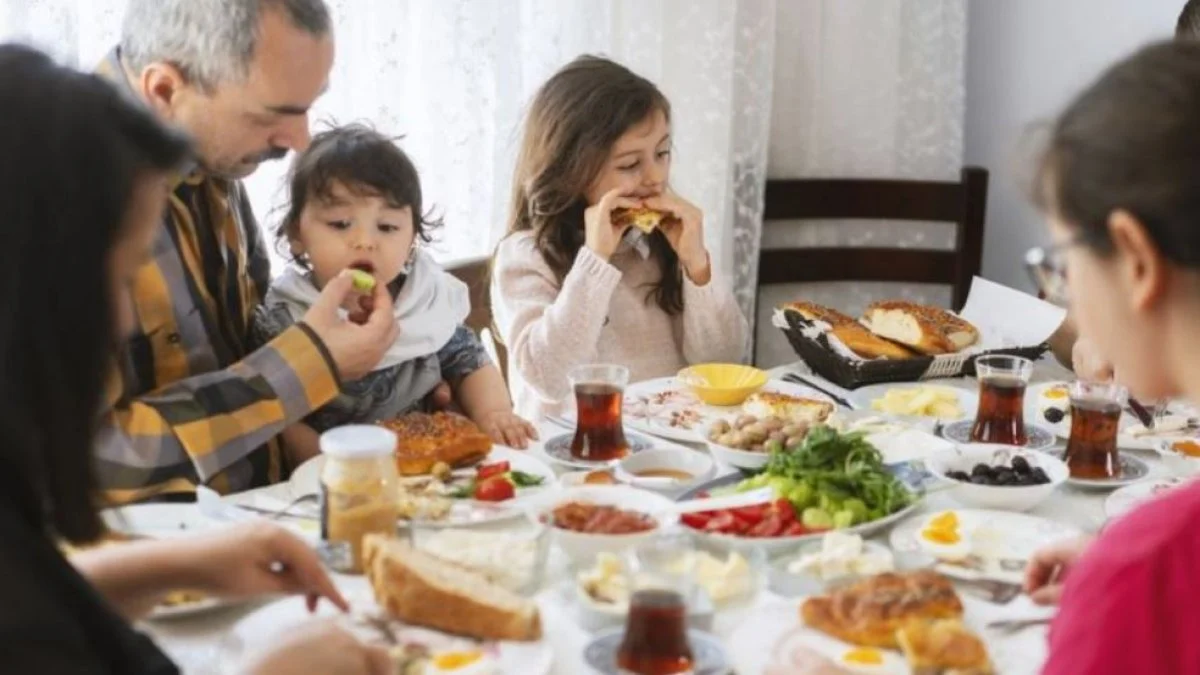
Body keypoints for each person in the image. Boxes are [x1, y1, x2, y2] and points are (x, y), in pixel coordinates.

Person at [0, 43, 389, 674]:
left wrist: (182, 564)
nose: (125, 318)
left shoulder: (218, 182)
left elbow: (37, 595)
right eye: (121, 279)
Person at [95, 0, 398, 503]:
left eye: (309, 104)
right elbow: (89, 460)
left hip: (262, 520)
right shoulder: (52, 188)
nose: (301, 141)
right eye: (273, 114)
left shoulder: (209, 153)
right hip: (156, 563)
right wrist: (312, 362)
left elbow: (238, 349)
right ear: (166, 90)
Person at [1021, 40, 1200, 673]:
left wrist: (1126, 584)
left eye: (1064, 266)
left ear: (1136, 259)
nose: (1065, 292)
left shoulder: (1146, 570)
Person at [252, 125, 537, 457]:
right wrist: (329, 465)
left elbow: (469, 362)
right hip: (336, 478)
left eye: (387, 227)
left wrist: (493, 413)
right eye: (340, 224)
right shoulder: (283, 316)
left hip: (432, 464)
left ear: (412, 239)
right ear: (296, 236)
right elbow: (280, 418)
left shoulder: (422, 301)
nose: (365, 241)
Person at [492, 55, 749, 420]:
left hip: (673, 444)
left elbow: (724, 361)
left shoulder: (662, 242)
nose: (655, 177)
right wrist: (595, 261)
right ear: (571, 171)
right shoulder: (525, 256)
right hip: (577, 457)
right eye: (630, 165)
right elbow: (548, 377)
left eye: (662, 153)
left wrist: (698, 267)